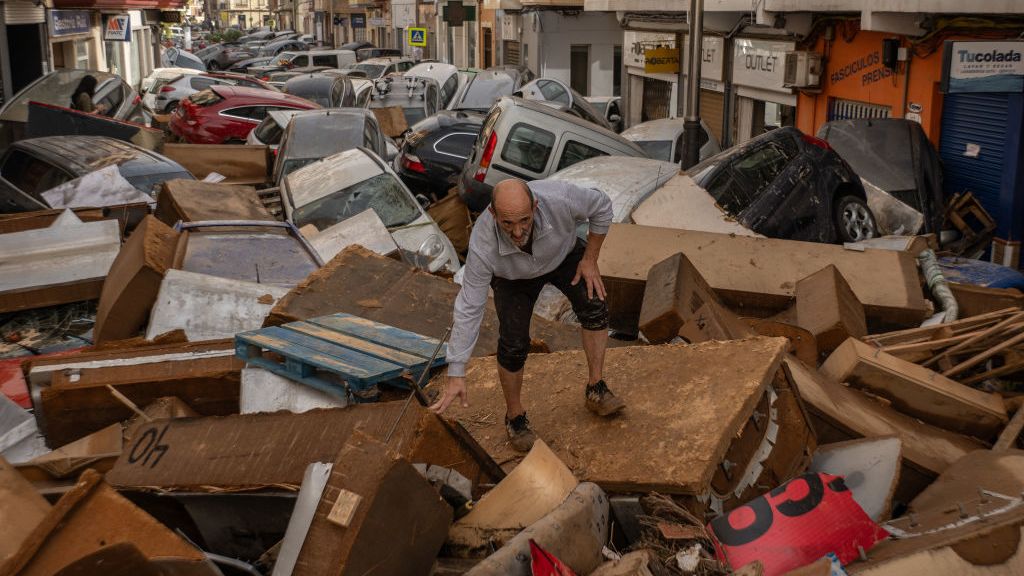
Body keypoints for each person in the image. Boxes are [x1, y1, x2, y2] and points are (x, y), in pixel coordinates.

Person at [430, 178, 625, 452]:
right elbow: (469, 306)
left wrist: (590, 259)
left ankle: (596, 387)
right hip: (512, 278)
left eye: (524, 220)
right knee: (513, 344)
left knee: (595, 306)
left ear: (535, 206)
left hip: (563, 255)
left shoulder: (561, 199)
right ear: (493, 214)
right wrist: (457, 370)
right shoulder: (482, 244)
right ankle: (515, 418)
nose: (518, 232)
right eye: (507, 223)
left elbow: (602, 206)